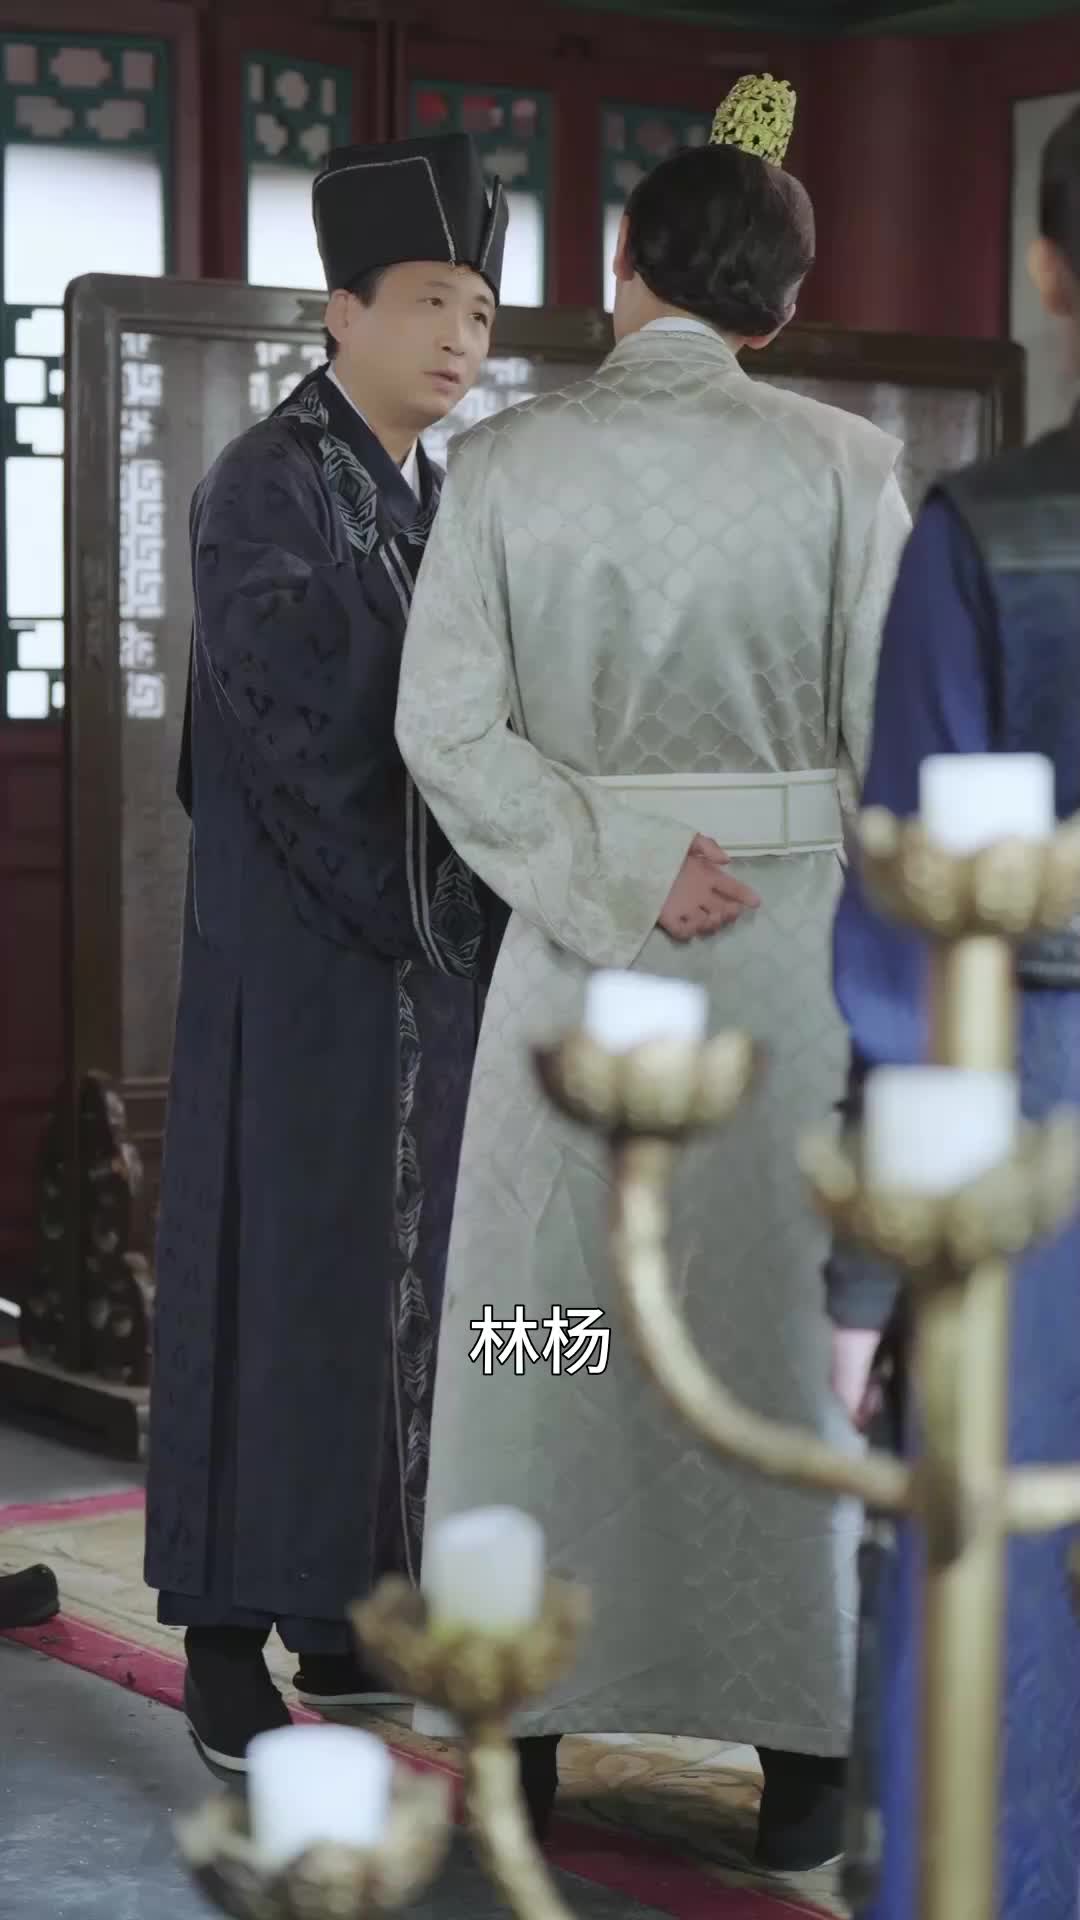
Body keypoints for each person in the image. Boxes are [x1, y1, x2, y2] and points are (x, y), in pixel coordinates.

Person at [396, 75, 911, 1868]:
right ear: (778, 304)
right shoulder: (848, 468)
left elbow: (443, 730)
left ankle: (523, 1730)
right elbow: (895, 745)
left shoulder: (503, 465)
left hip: (582, 956)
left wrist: (618, 865)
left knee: (540, 1328)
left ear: (624, 267)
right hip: (790, 956)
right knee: (775, 1320)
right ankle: (806, 1750)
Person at [143, 132, 509, 1775]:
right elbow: (296, 744)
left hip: (416, 963)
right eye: (427, 302)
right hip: (294, 963)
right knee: (273, 1281)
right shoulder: (264, 486)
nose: (458, 340)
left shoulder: (439, 492)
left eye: (480, 315)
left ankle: (349, 1611)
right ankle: (224, 1640)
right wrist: (449, 907)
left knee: (395, 1287)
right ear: (340, 310)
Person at [827, 99, 1080, 1920]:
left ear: (1051, 271)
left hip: (1028, 1110)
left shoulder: (995, 532)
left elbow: (907, 944)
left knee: (997, 1586)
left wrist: (862, 1282)